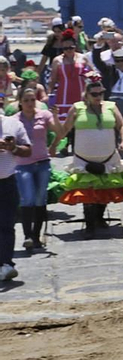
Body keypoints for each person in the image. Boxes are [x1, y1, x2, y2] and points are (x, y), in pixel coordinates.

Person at [59, 76, 123, 233]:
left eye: (100, 93)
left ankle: (99, 218)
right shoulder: (77, 107)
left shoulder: (111, 106)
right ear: (86, 94)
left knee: (104, 188)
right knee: (88, 191)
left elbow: (121, 125)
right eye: (94, 94)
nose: (98, 97)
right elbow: (66, 128)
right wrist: (54, 145)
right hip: (84, 157)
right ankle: (89, 225)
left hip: (107, 156)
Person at [10, 86, 59, 250]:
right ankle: (27, 236)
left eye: (33, 100)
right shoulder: (15, 120)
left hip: (42, 161)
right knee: (27, 199)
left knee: (40, 198)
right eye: (26, 100)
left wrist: (53, 145)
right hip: (23, 164)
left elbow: (60, 131)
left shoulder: (44, 115)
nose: (30, 103)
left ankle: (36, 236)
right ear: (20, 102)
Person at [0, 104, 33, 282]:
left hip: (7, 182)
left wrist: (13, 148)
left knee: (6, 224)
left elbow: (28, 150)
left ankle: (6, 264)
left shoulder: (13, 125)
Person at [49, 35, 90, 123]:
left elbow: (92, 73)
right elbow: (52, 79)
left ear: (75, 46)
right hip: (64, 94)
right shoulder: (57, 60)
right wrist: (49, 95)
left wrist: (90, 75)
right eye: (65, 48)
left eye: (71, 47)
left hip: (81, 93)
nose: (68, 50)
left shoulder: (83, 58)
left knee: (81, 121)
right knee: (64, 122)